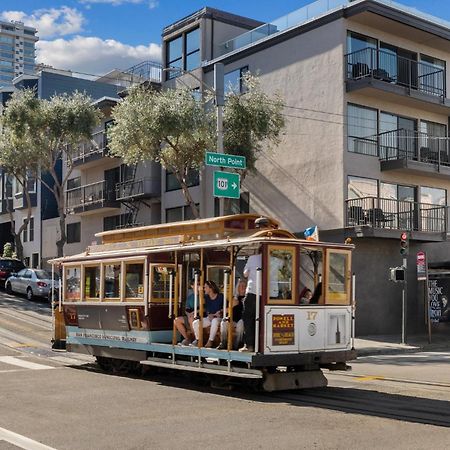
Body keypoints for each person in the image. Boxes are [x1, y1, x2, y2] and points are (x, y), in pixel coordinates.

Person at [240, 251, 262, 352]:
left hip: (253, 291)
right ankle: (262, 345)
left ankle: (249, 345)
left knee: (248, 319)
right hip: (269, 294)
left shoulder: (253, 258)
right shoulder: (275, 259)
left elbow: (245, 274)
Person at [192, 280, 223, 348]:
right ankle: (198, 340)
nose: (204, 289)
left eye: (205, 287)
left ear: (211, 288)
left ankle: (210, 341)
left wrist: (220, 311)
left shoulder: (221, 296)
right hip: (210, 318)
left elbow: (227, 308)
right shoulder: (206, 297)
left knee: (215, 321)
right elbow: (206, 309)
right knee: (196, 323)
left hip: (219, 318)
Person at [217, 279, 246, 350]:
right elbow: (226, 310)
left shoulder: (248, 298)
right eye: (240, 286)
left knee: (241, 323)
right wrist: (232, 305)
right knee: (224, 322)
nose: (242, 288)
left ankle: (237, 345)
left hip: (242, 321)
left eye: (244, 286)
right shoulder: (233, 298)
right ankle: (223, 343)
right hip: (232, 320)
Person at [174, 279, 197, 346]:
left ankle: (196, 339)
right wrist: (188, 313)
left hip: (200, 316)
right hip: (190, 315)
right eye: (196, 284)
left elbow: (204, 308)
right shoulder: (190, 297)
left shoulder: (204, 296)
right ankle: (187, 339)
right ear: (192, 286)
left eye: (199, 284)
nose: (198, 286)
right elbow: (187, 309)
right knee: (177, 320)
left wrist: (195, 312)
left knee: (191, 319)